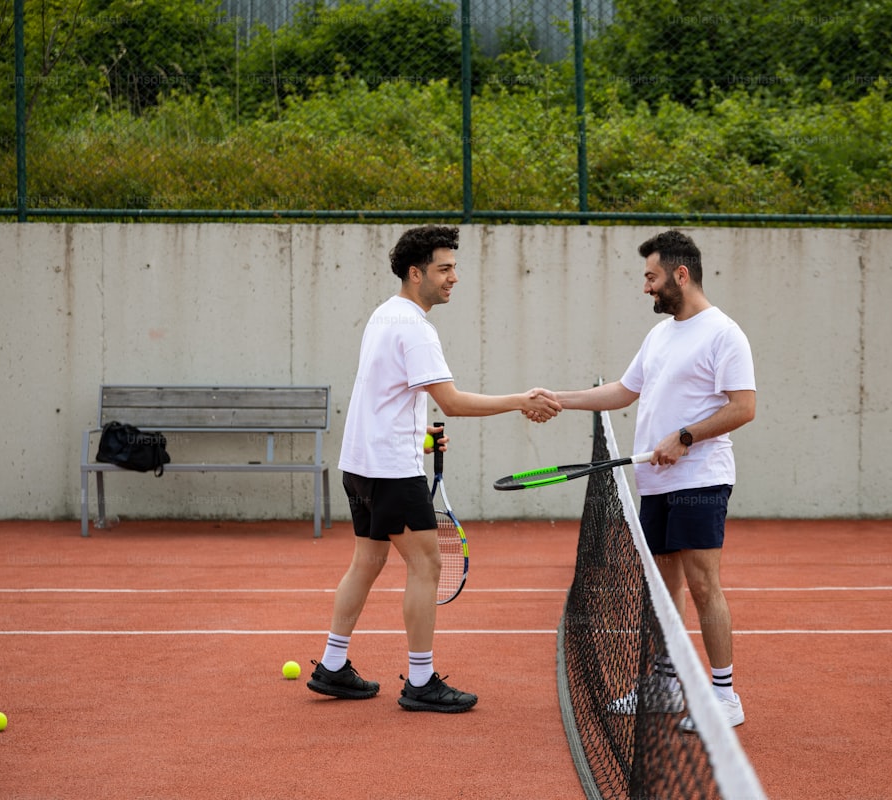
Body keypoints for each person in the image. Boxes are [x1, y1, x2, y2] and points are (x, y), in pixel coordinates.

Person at [308, 225, 561, 714]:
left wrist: (417, 438)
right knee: (427, 564)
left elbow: (388, 396)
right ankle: (421, 681)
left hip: (360, 465)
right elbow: (452, 402)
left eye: (454, 268)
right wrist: (519, 401)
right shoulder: (415, 327)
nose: (454, 278)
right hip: (389, 472)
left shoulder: (385, 315)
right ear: (415, 273)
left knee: (368, 561)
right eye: (445, 269)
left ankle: (332, 666)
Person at [535, 230, 755, 730]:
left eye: (651, 277)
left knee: (703, 584)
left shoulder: (724, 334)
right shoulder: (659, 335)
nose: (646, 288)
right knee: (662, 588)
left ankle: (725, 697)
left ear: (681, 275)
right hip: (655, 483)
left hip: (701, 478)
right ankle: (663, 682)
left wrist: (685, 436)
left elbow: (744, 407)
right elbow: (624, 391)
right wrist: (560, 399)